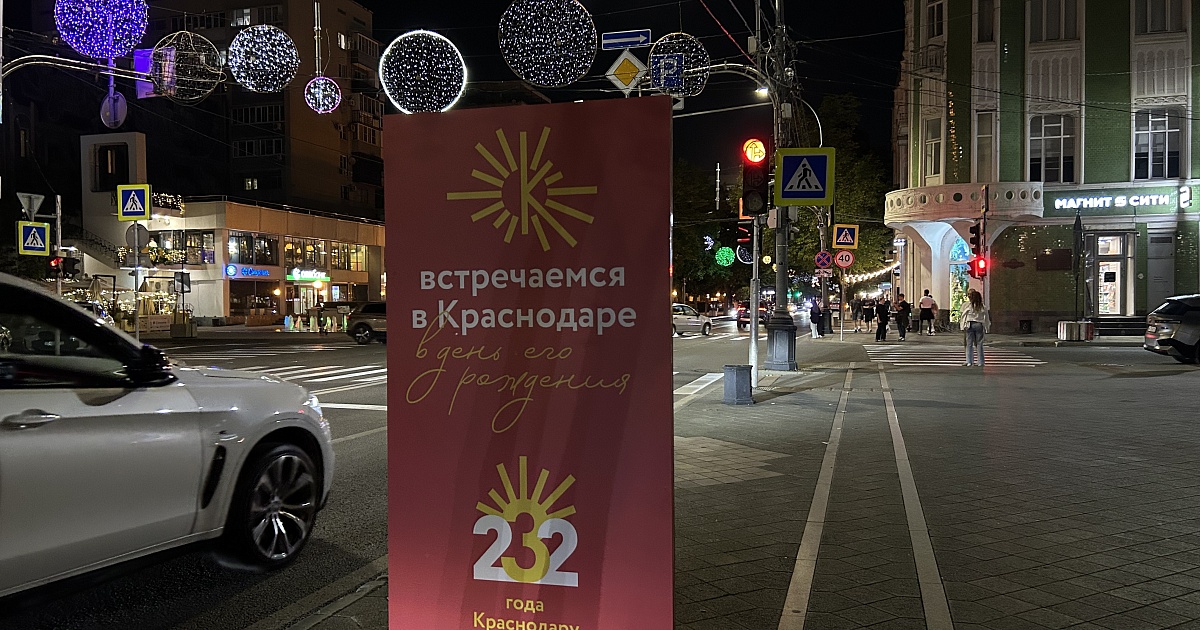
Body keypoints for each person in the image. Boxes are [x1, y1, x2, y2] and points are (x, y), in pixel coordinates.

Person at [959, 288, 991, 366]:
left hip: (969, 324)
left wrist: (962, 325)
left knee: (969, 344)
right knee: (979, 343)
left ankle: (969, 361)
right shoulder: (982, 306)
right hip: (979, 324)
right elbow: (987, 317)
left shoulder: (969, 306)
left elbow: (963, 316)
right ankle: (981, 362)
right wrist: (987, 327)